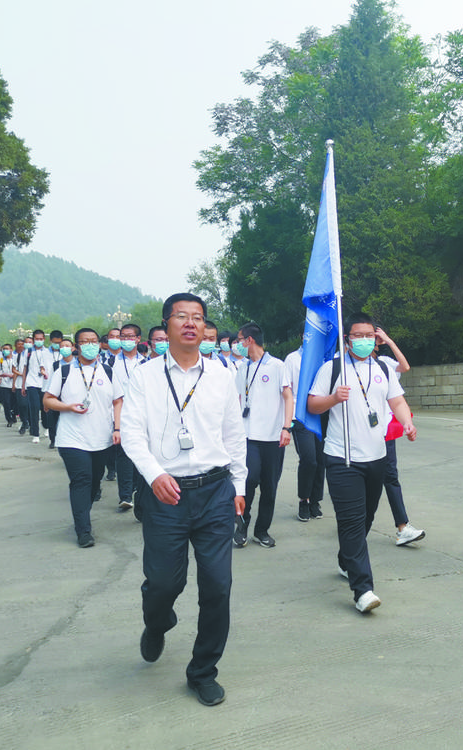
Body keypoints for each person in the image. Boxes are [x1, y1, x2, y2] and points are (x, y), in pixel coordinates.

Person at [120, 292, 246, 707]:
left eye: (198, 317)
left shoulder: (221, 375)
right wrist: (153, 474)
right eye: (181, 317)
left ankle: (203, 671)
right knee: (163, 584)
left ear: (205, 327)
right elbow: (132, 432)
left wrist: (239, 487)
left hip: (215, 491)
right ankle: (157, 622)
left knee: (218, 587)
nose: (191, 323)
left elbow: (234, 435)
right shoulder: (145, 376)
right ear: (166, 325)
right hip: (166, 494)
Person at [307, 312, 417, 613]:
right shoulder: (332, 369)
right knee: (352, 522)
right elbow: (312, 404)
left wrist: (407, 422)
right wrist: (333, 398)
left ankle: (346, 560)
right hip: (342, 457)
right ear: (347, 339)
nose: (365, 340)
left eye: (369, 335)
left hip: (376, 456)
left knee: (367, 516)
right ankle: (363, 589)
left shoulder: (383, 368)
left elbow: (397, 401)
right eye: (358, 335)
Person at [43, 328, 123, 548]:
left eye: (94, 341)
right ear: (76, 346)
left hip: (101, 438)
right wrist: (67, 407)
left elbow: (118, 401)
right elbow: (48, 400)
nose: (90, 345)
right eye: (85, 341)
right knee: (81, 480)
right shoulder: (64, 371)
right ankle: (83, 531)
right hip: (72, 438)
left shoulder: (107, 371)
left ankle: (82, 514)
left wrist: (117, 428)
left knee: (95, 481)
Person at [233, 322, 293, 549]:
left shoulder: (277, 366)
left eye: (240, 340)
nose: (238, 344)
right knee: (248, 481)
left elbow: (288, 397)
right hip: (248, 436)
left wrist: (286, 427)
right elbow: (237, 399)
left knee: (269, 486)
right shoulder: (242, 368)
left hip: (273, 437)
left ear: (250, 340)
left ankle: (262, 530)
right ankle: (242, 525)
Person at [374, 328, 426, 546]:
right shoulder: (342, 363)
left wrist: (389, 341)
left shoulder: (384, 363)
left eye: (372, 336)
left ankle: (403, 527)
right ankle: (352, 522)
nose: (368, 341)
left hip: (384, 431)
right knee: (367, 483)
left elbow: (404, 367)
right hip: (358, 435)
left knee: (391, 477)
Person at [284, 335, 325, 522]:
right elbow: (287, 389)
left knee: (321, 460)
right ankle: (304, 499)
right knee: (309, 459)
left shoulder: (323, 358)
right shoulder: (292, 359)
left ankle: (315, 500)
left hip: (321, 413)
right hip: (300, 415)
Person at [111, 323, 149, 512]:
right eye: (123, 337)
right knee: (123, 455)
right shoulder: (111, 362)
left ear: (138, 339)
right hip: (120, 414)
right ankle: (125, 496)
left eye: (130, 336)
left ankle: (138, 492)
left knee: (142, 453)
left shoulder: (146, 363)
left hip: (144, 414)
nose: (126, 340)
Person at [24, 329, 54, 443]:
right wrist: (23, 385)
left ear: (44, 339)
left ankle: (46, 426)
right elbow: (25, 368)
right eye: (37, 339)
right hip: (31, 383)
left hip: (45, 384)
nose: (39, 341)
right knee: (34, 407)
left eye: (41, 339)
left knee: (45, 407)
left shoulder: (48, 352)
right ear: (33, 339)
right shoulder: (28, 352)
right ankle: (35, 433)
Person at [0, 345, 17, 427]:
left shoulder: (15, 358)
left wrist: (13, 375)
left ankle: (14, 413)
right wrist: (2, 375)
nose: (5, 350)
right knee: (6, 403)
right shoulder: (1, 360)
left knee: (15, 402)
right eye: (4, 349)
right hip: (4, 385)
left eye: (7, 349)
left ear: (11, 349)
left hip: (15, 384)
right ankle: (9, 419)